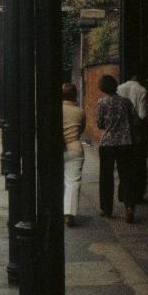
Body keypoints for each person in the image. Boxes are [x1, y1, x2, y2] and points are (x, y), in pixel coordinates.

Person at [96, 73, 142, 222]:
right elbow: (136, 120)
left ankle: (107, 209)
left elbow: (100, 123)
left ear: (103, 87)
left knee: (106, 176)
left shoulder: (102, 102)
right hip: (125, 143)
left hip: (108, 143)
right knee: (126, 175)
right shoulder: (126, 102)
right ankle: (129, 206)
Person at [117, 74, 148, 204]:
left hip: (121, 133)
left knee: (123, 164)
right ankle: (138, 196)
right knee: (139, 164)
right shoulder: (142, 90)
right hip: (136, 133)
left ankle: (122, 193)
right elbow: (142, 115)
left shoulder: (119, 88)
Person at [60, 82, 87, 227]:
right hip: (74, 146)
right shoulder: (80, 111)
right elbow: (81, 129)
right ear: (75, 95)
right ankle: (68, 213)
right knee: (73, 181)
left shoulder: (55, 110)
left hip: (56, 148)